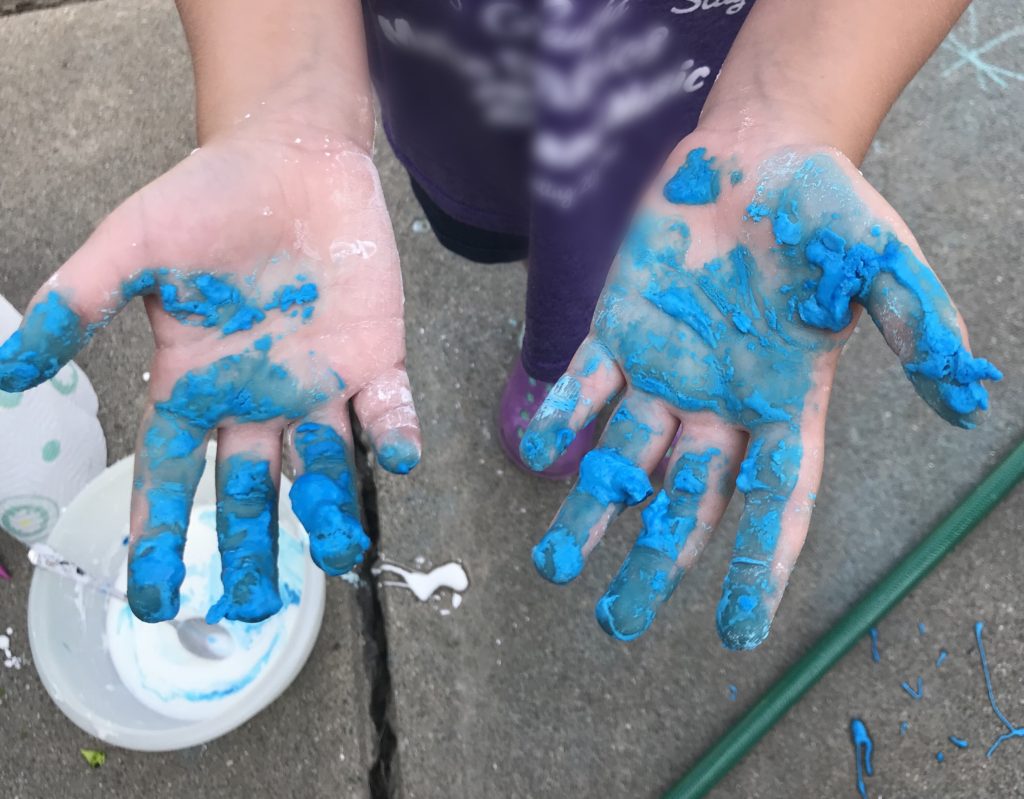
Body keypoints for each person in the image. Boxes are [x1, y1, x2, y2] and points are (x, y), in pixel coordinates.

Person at [0, 0, 1001, 648]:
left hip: (709, 99)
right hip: (453, 76)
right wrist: (282, 95)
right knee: (497, 229)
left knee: (616, 273)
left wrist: (797, 99)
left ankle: (560, 358)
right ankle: (549, 335)